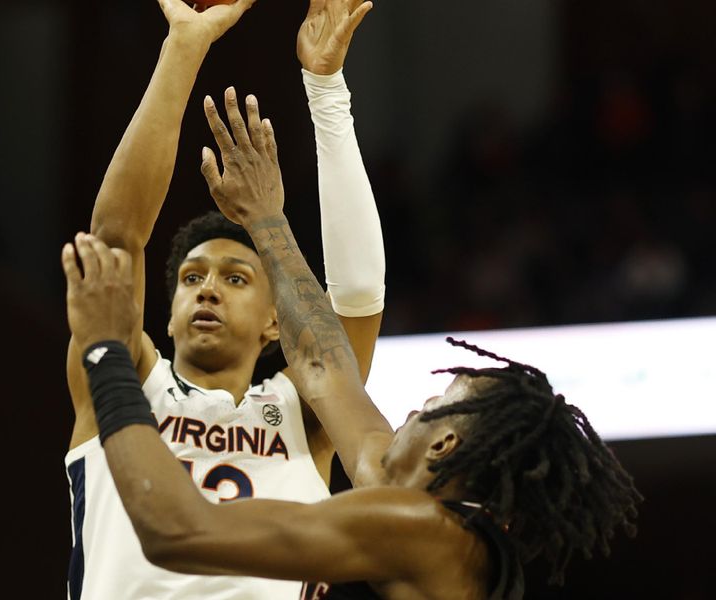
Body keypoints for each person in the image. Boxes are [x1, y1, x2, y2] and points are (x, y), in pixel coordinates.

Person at [61, 92, 642, 599]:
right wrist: (267, 217)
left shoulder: (415, 525)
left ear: (442, 443)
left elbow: (175, 530)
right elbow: (323, 365)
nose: (412, 409)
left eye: (435, 404)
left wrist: (105, 353)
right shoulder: (420, 512)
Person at [64, 0, 384, 598]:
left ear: (275, 322)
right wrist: (184, 43)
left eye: (235, 277)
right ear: (169, 311)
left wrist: (327, 90)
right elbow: (115, 239)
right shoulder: (123, 382)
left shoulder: (306, 416)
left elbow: (359, 296)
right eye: (191, 278)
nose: (207, 287)